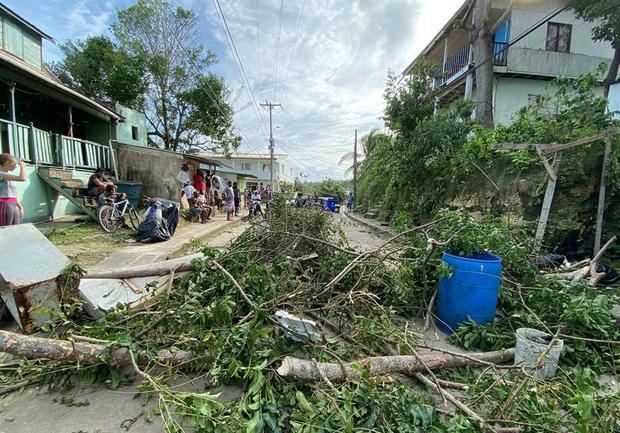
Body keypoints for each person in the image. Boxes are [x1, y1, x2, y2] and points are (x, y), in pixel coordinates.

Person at [0, 153, 26, 226]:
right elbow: (22, 178)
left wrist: (20, 207)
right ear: (6, 163)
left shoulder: (8, 176)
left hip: (12, 204)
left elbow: (12, 194)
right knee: (5, 229)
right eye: (14, 163)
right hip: (4, 204)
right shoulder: (1, 174)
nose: (16, 166)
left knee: (15, 229)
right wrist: (23, 167)